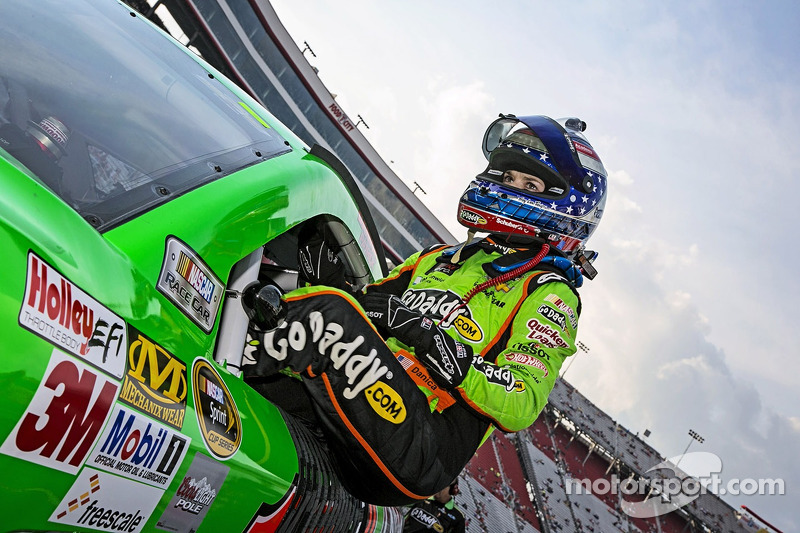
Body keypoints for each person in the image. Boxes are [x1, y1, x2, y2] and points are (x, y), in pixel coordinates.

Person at [243, 114, 608, 506]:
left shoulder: (551, 293)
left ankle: (219, 343)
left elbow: (520, 402)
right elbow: (363, 305)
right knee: (305, 281)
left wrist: (429, 336)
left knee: (328, 319)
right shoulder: (438, 257)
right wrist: (324, 275)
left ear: (568, 208)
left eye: (530, 184)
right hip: (356, 412)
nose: (510, 188)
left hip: (423, 447)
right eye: (507, 177)